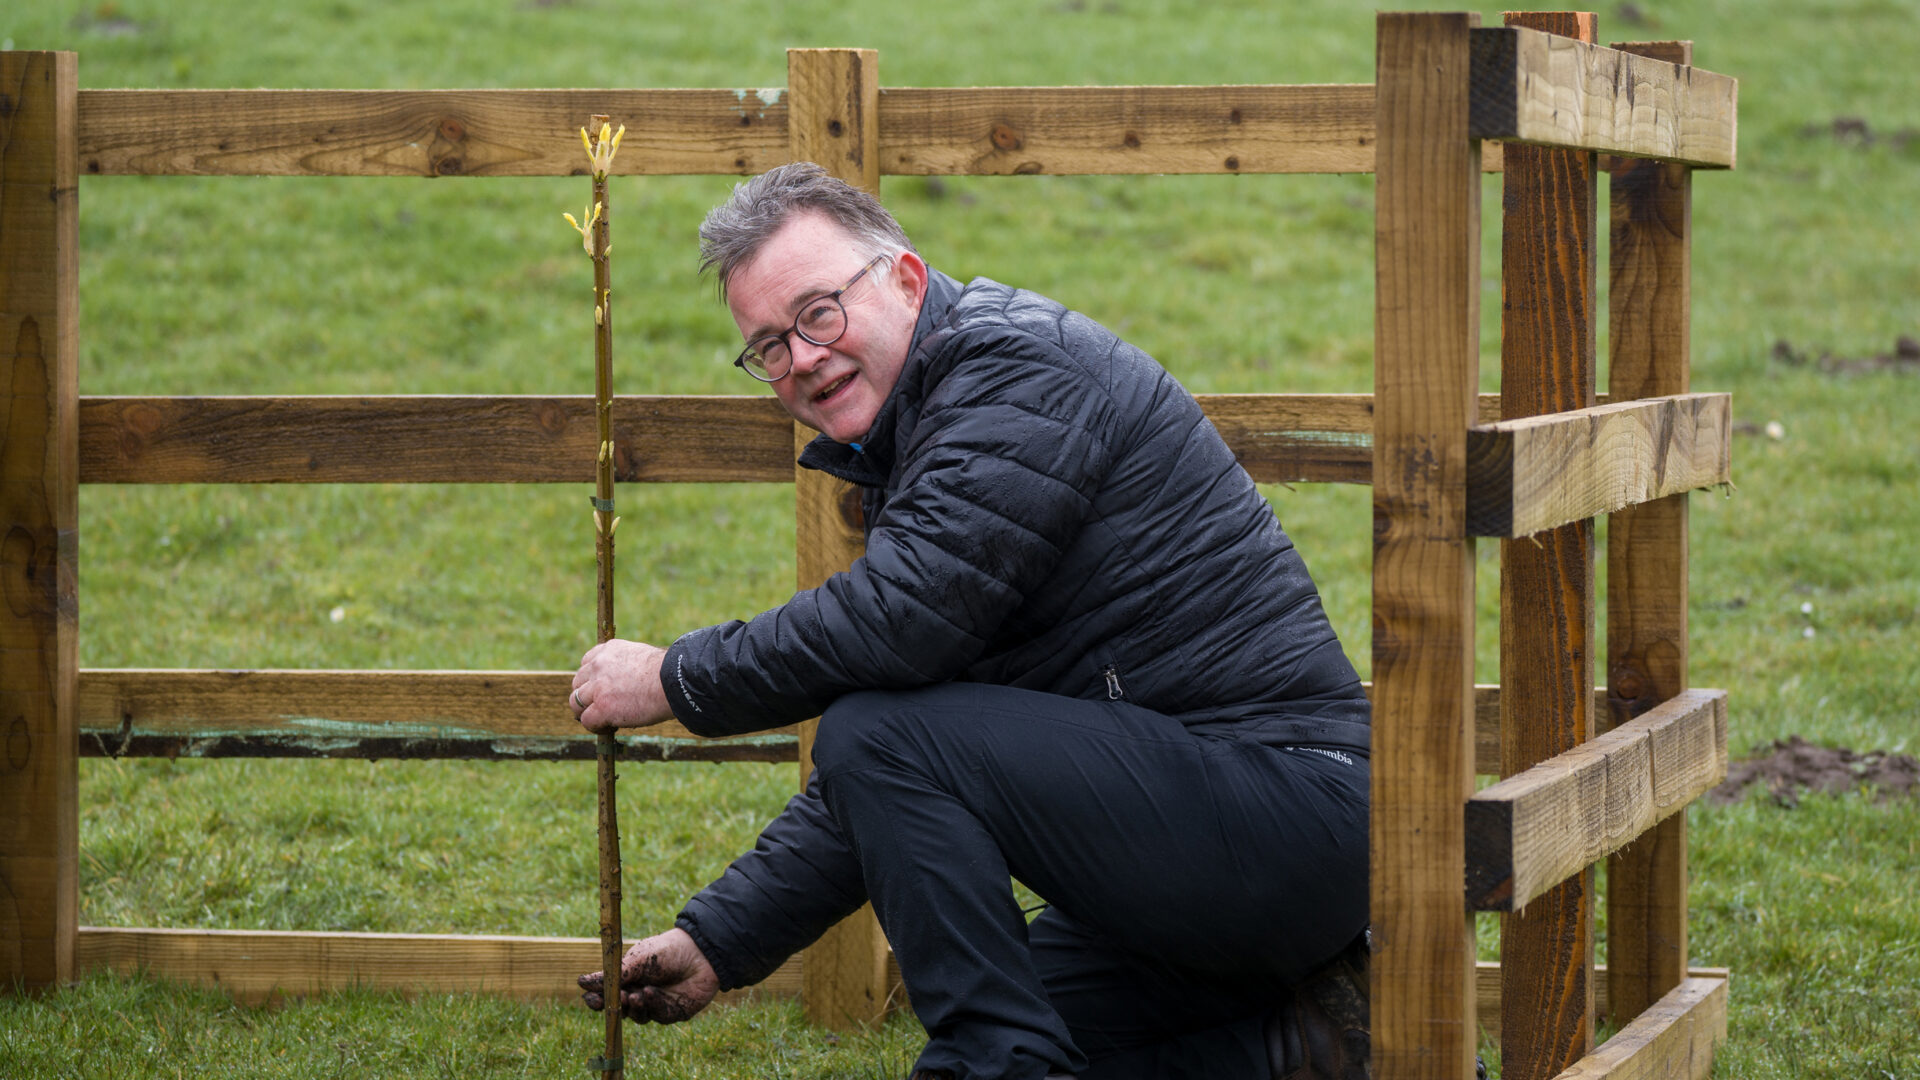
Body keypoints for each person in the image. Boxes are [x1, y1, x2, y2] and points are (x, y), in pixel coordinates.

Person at [569, 162, 1371, 1080]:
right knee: (1054, 1020)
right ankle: (1309, 1050)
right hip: (1205, 847)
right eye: (769, 347)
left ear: (905, 280)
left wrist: (677, 677)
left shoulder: (1013, 371)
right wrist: (720, 939)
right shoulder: (925, 429)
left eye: (818, 312)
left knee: (888, 758)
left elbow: (898, 636)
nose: (802, 358)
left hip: (1289, 817)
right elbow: (898, 768)